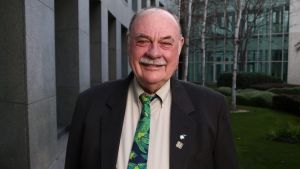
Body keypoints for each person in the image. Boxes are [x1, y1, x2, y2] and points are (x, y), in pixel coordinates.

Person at [65, 7, 238, 169]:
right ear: (128, 43)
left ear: (179, 47)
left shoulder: (212, 108)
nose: (154, 53)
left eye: (166, 43)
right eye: (143, 41)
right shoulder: (89, 104)